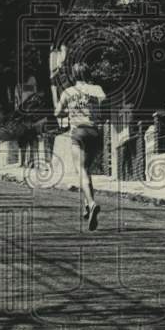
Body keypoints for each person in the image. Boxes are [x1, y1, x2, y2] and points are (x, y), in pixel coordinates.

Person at [55, 62, 107, 230]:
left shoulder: (68, 92)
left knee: (82, 170)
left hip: (78, 133)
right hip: (95, 132)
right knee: (87, 169)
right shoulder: (97, 89)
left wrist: (69, 111)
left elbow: (57, 112)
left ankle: (91, 203)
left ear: (74, 75)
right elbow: (104, 103)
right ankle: (87, 204)